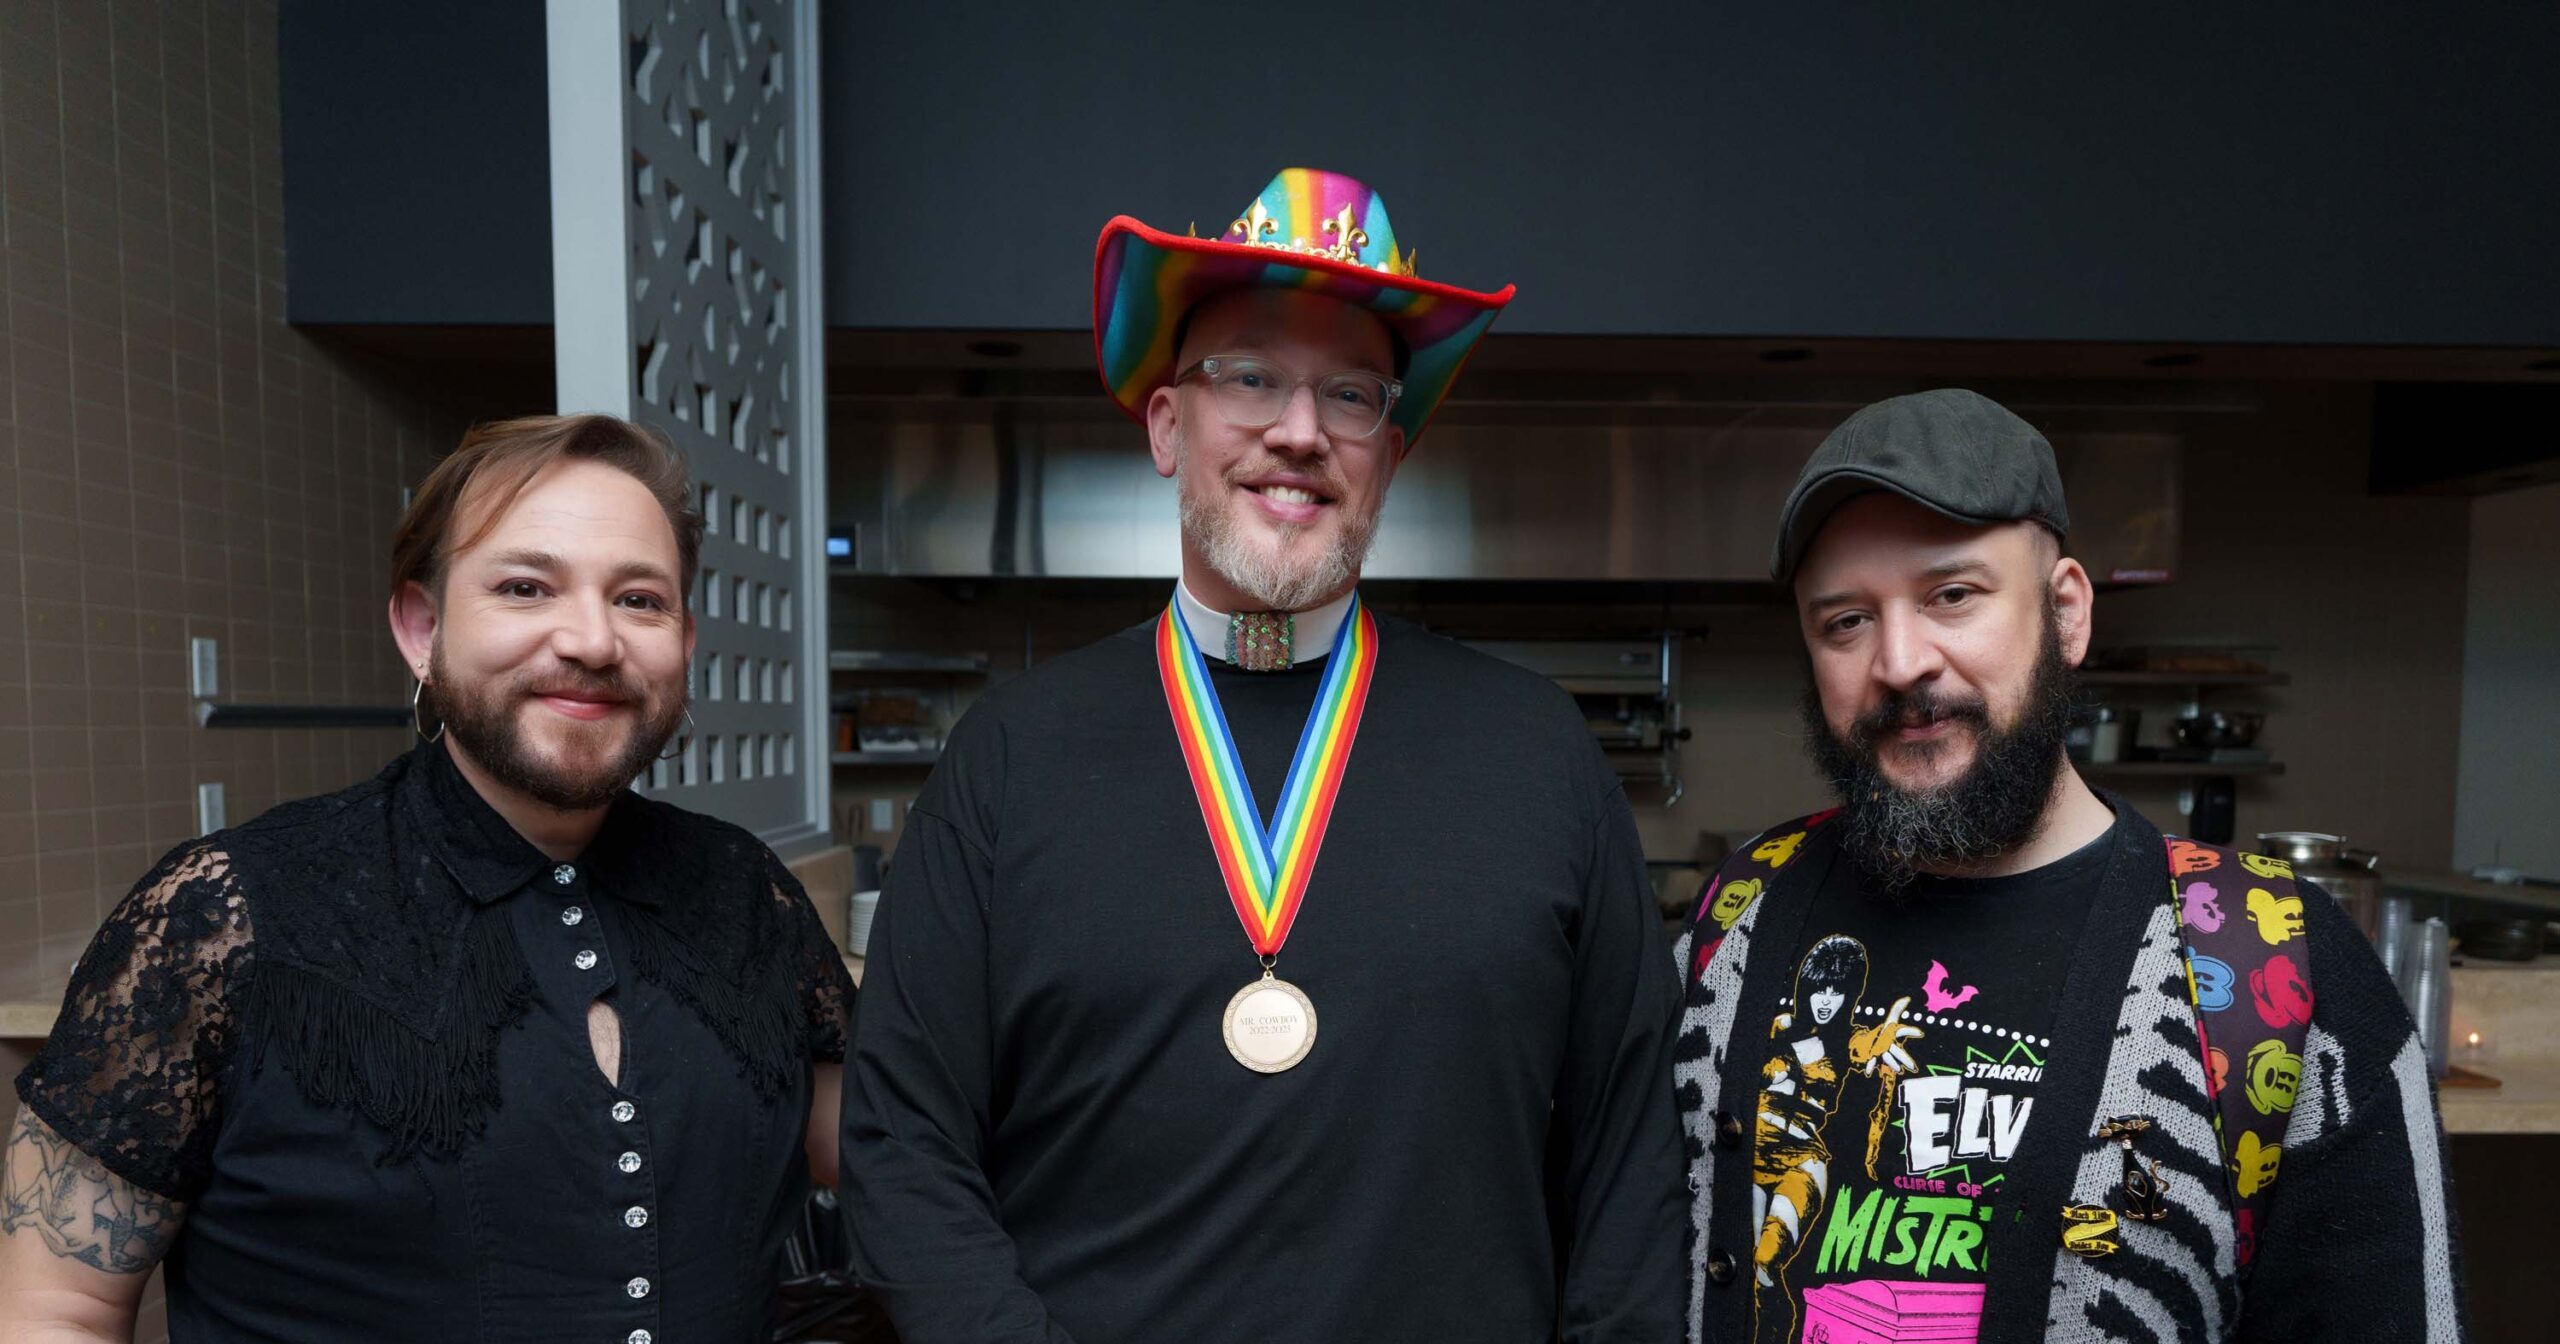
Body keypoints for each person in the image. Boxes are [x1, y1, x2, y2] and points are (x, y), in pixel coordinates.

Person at [840, 168, 1687, 1343]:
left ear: (1388, 454)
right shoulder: (1009, 757)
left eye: (1349, 394)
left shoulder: (1540, 752)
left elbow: (1632, 1160)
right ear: (1165, 426)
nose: (1299, 431)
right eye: (1247, 377)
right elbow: (901, 1144)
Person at [0, 415, 853, 1343]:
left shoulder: (747, 893)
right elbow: (56, 1311)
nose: (592, 640)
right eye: (525, 588)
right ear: (422, 629)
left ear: (683, 643)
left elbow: (886, 1165)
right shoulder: (223, 915)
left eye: (639, 600)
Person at [1673, 389, 2465, 1343]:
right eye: (1845, 621)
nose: (1900, 661)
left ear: (2067, 612)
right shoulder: (1740, 913)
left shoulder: (2276, 958)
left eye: (1952, 595)